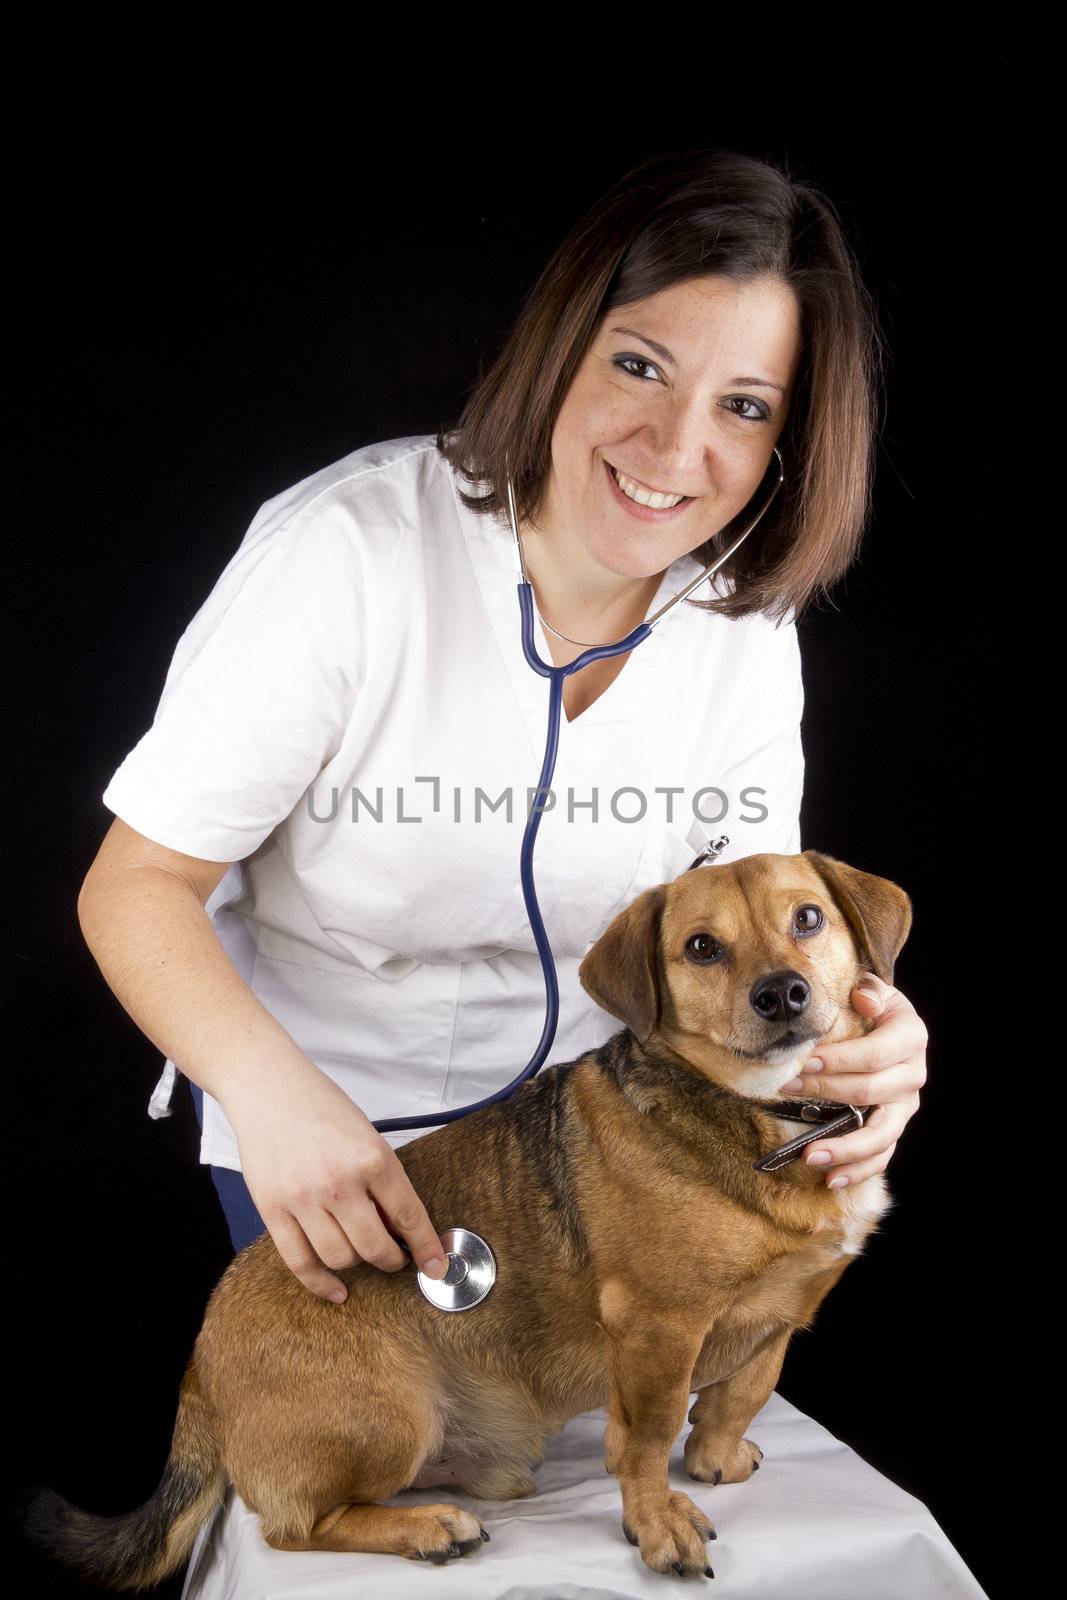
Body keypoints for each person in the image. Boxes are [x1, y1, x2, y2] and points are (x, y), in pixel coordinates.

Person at [77, 148, 928, 1308]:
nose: (676, 450)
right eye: (638, 366)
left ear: (789, 438)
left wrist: (866, 1042)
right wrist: (272, 1097)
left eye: (742, 406)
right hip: (333, 1137)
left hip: (617, 1145)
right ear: (559, 346)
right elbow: (135, 884)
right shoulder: (347, 555)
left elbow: (753, 931)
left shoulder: (742, 627)